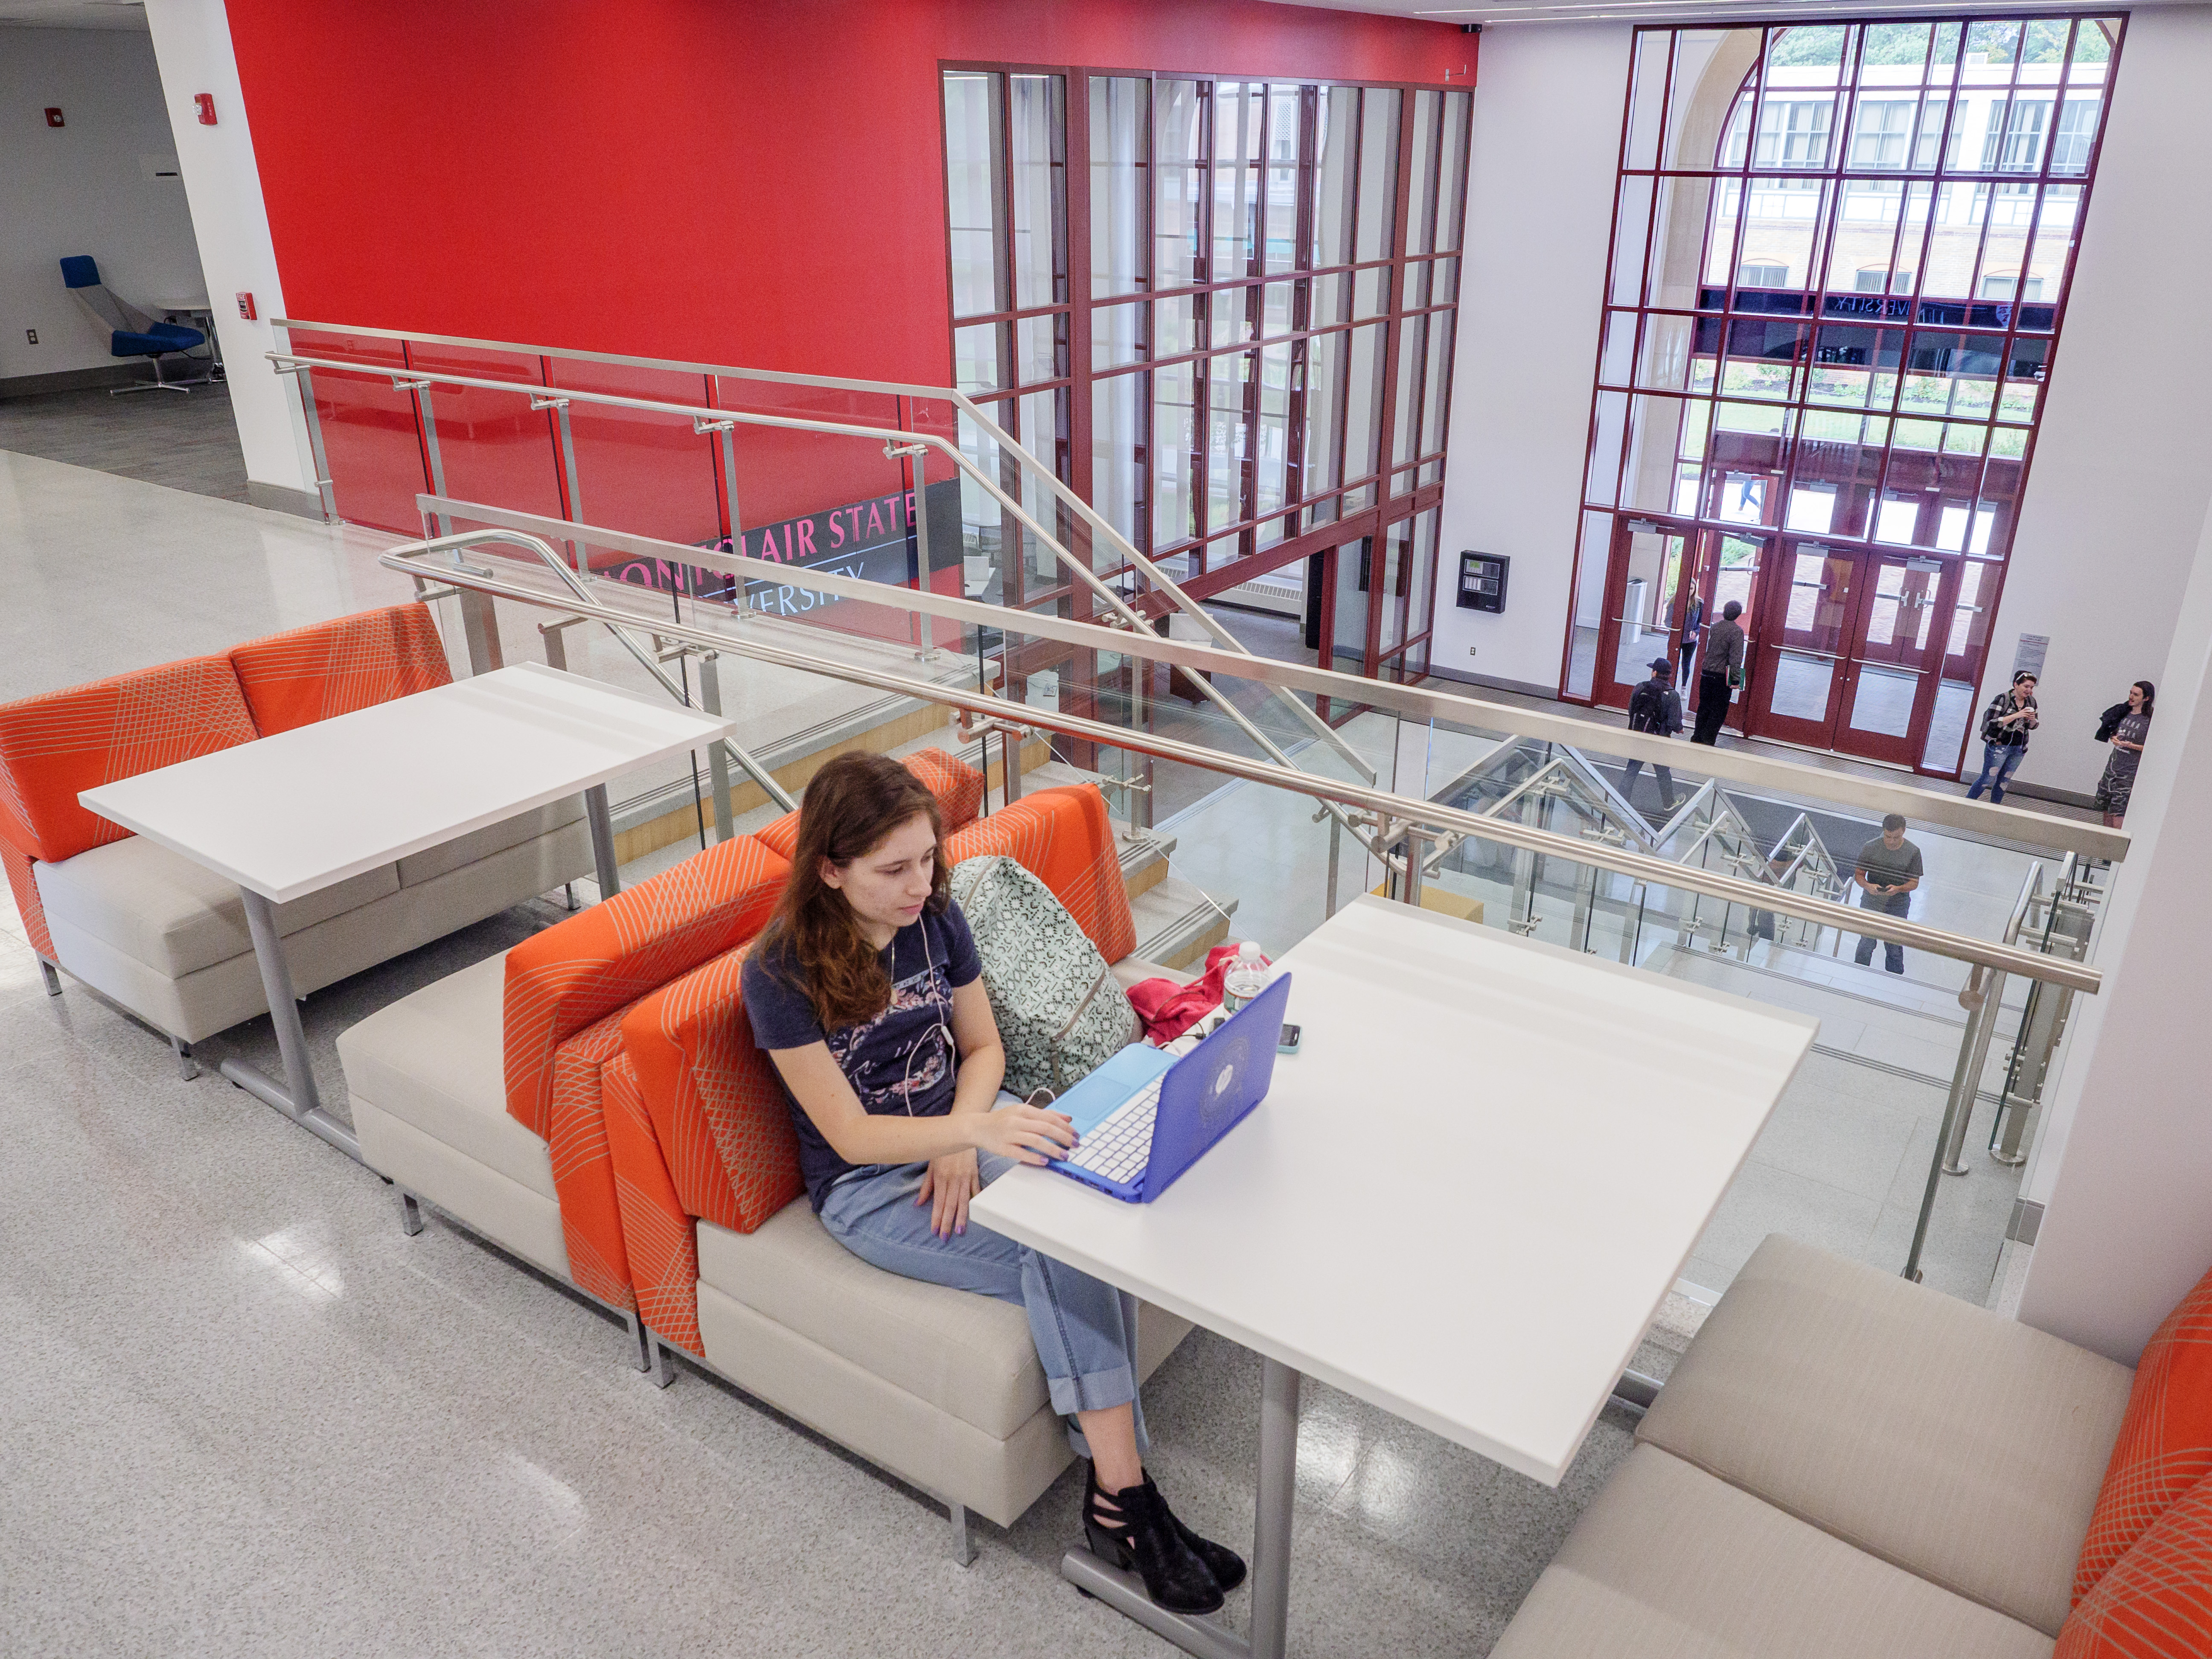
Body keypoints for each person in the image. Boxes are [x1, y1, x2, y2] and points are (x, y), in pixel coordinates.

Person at [739, 753, 1243, 1615]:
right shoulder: (779, 973)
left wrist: (964, 1141)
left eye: (927, 858)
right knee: (1064, 1252)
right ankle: (1126, 1500)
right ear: (830, 868)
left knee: (1086, 1222)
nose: (919, 883)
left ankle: (1120, 1504)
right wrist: (967, 1133)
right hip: (871, 1188)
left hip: (963, 1131)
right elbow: (851, 1136)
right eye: (892, 869)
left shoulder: (936, 921)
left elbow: (985, 1051)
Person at [1852, 812, 1923, 975]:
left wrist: (1898, 889)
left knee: (1894, 944)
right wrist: (1868, 886)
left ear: (1904, 831)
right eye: (1888, 837)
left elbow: (1914, 883)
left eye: (1896, 838)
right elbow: (1859, 874)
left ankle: (1894, 978)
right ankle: (1858, 974)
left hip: (1898, 903)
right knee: (1867, 941)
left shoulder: (1913, 852)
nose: (1891, 841)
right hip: (1872, 899)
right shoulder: (1871, 847)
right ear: (1883, 831)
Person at [1619, 656, 1683, 815]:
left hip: (1639, 736)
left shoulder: (1640, 687)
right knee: (1662, 772)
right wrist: (1678, 729)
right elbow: (1675, 723)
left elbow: (1631, 709)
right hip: (1658, 741)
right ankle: (1669, 802)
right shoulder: (1673, 695)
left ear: (1654, 673)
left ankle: (1621, 800)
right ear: (1668, 676)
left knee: (1632, 769)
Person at [1965, 671, 2040, 803]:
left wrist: (2033, 720)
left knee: (2004, 782)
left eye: (2031, 688)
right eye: (2026, 686)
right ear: (2016, 685)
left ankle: (1995, 809)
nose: (2029, 690)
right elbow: (1992, 723)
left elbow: (2033, 726)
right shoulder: (2003, 699)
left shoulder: (2031, 702)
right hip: (1999, 747)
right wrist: (2017, 715)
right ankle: (1966, 804)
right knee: (1987, 779)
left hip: (2018, 749)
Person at [2095, 679, 2155, 827]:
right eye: (2131, 693)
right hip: (2112, 768)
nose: (2131, 697)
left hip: (2129, 773)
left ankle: (2116, 846)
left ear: (2146, 698)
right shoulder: (2123, 711)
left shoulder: (2150, 719)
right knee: (2106, 809)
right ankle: (2105, 844)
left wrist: (2132, 746)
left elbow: (2153, 748)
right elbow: (2113, 730)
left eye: (2136, 695)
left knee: (2119, 812)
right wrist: (2113, 737)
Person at [1691, 599, 1746, 746]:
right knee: (1719, 710)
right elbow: (1736, 658)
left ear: (1724, 612)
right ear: (1738, 615)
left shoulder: (1715, 627)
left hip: (1707, 671)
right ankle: (1708, 740)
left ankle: (1697, 737)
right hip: (1721, 675)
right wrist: (1736, 680)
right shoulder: (1737, 631)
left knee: (1704, 706)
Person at [1679, 590, 1705, 688]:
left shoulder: (1699, 603)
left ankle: (1683, 687)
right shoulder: (1676, 600)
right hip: (1677, 636)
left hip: (1690, 640)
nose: (1689, 591)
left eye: (1692, 588)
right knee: (1671, 662)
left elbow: (1701, 622)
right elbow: (1668, 620)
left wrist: (1696, 632)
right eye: (1688, 588)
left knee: (1686, 664)